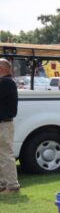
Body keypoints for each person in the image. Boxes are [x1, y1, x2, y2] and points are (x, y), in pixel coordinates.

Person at [0, 58, 20, 195]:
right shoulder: (6, 82)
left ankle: (12, 186)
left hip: (4, 124)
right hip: (3, 123)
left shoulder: (6, 82)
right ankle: (3, 184)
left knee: (5, 154)